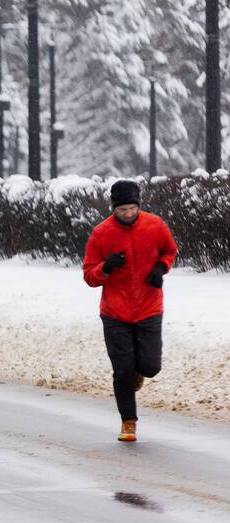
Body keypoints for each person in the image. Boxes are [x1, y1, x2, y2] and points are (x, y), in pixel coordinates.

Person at [82, 180, 177, 443]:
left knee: (150, 366)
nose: (127, 214)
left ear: (138, 205)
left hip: (149, 307)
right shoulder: (101, 233)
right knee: (122, 370)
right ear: (113, 208)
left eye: (132, 208)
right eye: (122, 209)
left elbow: (170, 251)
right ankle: (128, 422)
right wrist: (106, 267)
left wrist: (160, 268)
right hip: (115, 313)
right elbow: (89, 275)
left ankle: (139, 371)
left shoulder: (155, 225)